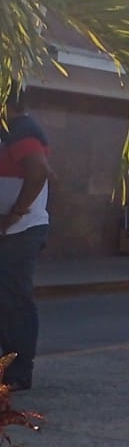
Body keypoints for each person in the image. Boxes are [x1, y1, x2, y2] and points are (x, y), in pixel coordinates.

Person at [0, 92, 52, 392]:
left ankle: (18, 372)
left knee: (14, 300)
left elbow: (40, 171)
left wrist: (15, 214)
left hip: (19, 231)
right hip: (11, 230)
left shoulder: (22, 129)